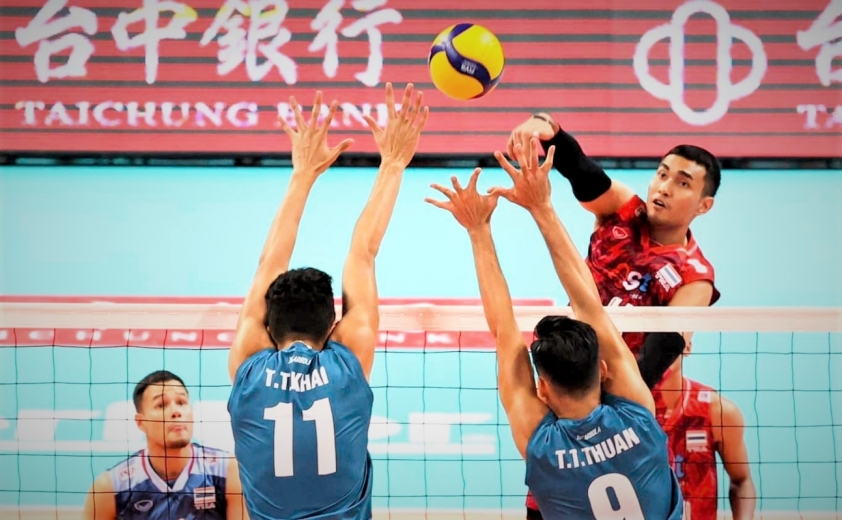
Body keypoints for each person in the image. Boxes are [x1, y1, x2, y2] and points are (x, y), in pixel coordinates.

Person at [426, 138, 682, 520]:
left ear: (542, 389)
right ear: (603, 370)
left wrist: (478, 229)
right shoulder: (639, 414)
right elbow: (588, 305)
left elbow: (504, 332)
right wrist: (542, 206)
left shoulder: (539, 443)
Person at [226, 83, 427, 520]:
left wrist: (302, 173)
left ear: (267, 327)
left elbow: (268, 262)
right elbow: (364, 253)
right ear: (334, 326)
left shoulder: (249, 365)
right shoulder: (348, 363)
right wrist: (393, 163)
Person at [508, 112, 722, 519]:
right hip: (572, 388)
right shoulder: (624, 210)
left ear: (704, 205)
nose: (664, 187)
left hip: (625, 416)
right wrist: (547, 128)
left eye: (682, 183)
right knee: (548, 501)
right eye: (662, 174)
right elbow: (583, 172)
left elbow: (654, 360)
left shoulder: (695, 278)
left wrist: (586, 400)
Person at [81, 370, 247, 520]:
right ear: (141, 422)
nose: (176, 411)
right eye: (161, 405)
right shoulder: (111, 487)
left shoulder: (227, 470)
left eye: (181, 402)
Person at [654, 342, 756, 520]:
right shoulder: (626, 411)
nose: (659, 351)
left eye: (665, 339)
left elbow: (742, 480)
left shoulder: (719, 411)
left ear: (687, 347)